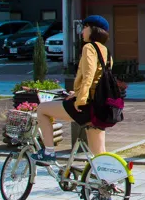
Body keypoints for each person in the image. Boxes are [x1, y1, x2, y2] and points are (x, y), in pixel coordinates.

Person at [33, 15, 113, 165]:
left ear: (92, 29)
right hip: (100, 106)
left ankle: (49, 152)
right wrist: (77, 92)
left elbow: (89, 74)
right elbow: (98, 79)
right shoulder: (106, 51)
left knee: (42, 109)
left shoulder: (89, 47)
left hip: (86, 104)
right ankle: (108, 183)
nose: (82, 31)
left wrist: (80, 99)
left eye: (84, 27)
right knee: (99, 153)